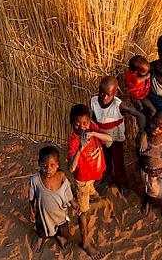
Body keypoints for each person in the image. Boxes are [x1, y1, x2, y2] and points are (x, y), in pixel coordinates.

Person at [67, 104, 113, 259]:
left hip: (92, 176)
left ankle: (93, 196)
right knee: (82, 211)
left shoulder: (91, 128)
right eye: (77, 124)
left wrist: (93, 132)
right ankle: (85, 242)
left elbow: (109, 139)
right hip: (82, 181)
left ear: (89, 122)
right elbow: (71, 169)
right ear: (72, 123)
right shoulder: (74, 141)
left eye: (84, 123)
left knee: (92, 188)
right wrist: (80, 148)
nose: (81, 127)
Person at [90, 76, 147, 195]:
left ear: (115, 93)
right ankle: (107, 177)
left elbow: (140, 116)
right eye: (101, 92)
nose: (104, 97)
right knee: (105, 160)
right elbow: (94, 116)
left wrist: (142, 133)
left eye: (109, 94)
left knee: (118, 162)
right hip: (102, 138)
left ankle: (122, 182)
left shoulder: (119, 105)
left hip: (116, 140)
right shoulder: (94, 100)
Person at [29, 146, 77, 253]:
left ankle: (60, 237)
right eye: (44, 165)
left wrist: (72, 201)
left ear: (58, 165)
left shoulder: (61, 176)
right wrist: (32, 211)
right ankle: (41, 237)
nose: (48, 169)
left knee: (63, 230)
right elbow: (31, 198)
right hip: (43, 214)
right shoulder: (35, 180)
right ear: (39, 164)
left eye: (52, 165)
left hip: (60, 213)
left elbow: (67, 189)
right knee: (41, 228)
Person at [138, 112, 162, 227]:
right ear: (151, 121)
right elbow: (138, 153)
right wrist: (143, 166)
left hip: (161, 172)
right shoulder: (144, 138)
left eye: (160, 128)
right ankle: (147, 200)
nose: (156, 129)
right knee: (148, 188)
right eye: (154, 124)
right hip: (147, 171)